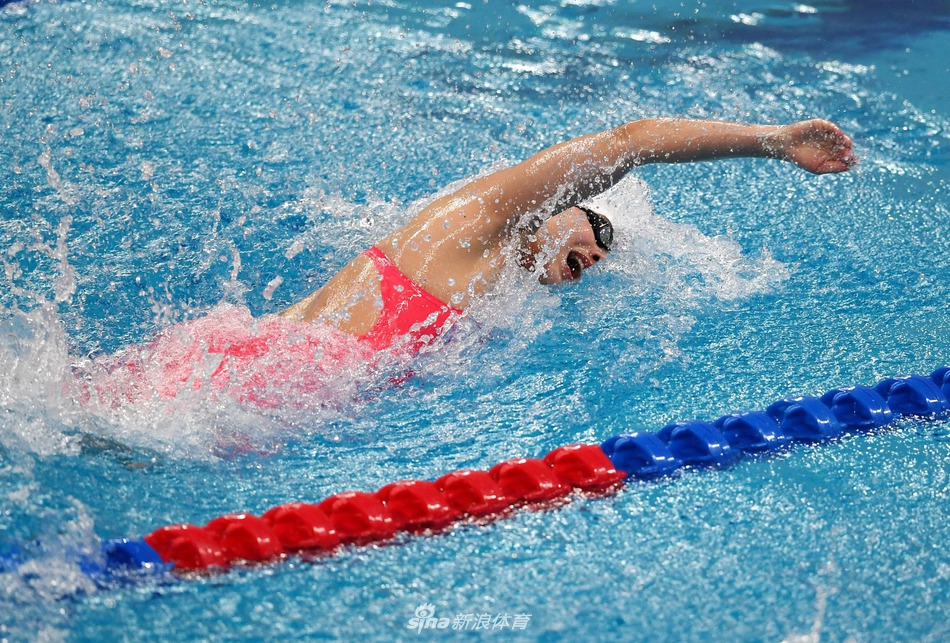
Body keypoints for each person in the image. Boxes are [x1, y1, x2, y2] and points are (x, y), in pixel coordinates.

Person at [281, 117, 856, 351]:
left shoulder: (497, 296)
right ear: (557, 208)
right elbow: (633, 142)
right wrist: (774, 142)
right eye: (598, 226)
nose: (601, 250)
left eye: (608, 249)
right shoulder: (469, 223)